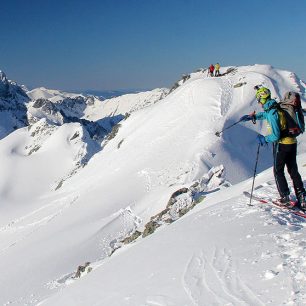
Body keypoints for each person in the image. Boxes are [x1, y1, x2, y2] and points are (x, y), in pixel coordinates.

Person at [240, 86, 306, 210]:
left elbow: (275, 136)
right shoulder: (277, 107)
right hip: (292, 142)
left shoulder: (272, 112)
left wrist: (264, 139)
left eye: (259, 99)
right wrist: (254, 117)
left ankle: (285, 198)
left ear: (263, 99)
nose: (259, 102)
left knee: (278, 171)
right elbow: (266, 114)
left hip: (281, 145)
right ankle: (302, 198)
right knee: (293, 171)